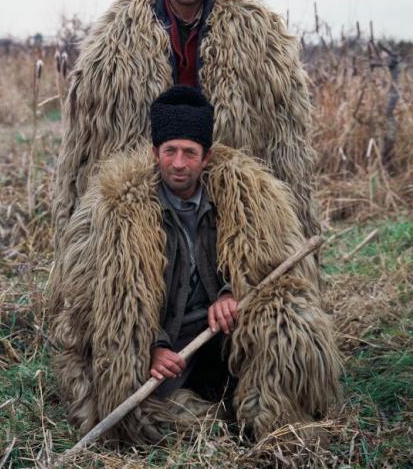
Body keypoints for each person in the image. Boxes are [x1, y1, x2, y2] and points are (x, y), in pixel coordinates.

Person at [49, 87, 340, 444]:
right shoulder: (117, 212)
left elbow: (269, 265)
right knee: (141, 414)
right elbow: (102, 302)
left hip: (223, 337)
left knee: (288, 327)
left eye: (190, 152)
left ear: (206, 157)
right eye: (170, 151)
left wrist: (231, 292)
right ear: (156, 153)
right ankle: (208, 420)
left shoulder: (245, 200)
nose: (179, 163)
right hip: (169, 346)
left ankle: (270, 418)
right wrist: (153, 346)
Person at [52, 0, 320, 252]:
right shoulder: (120, 35)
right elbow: (89, 125)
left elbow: (284, 120)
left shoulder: (255, 32)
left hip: (222, 161)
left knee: (245, 250)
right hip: (152, 163)